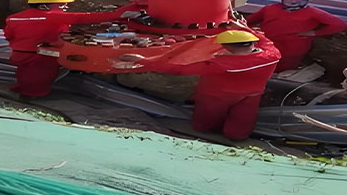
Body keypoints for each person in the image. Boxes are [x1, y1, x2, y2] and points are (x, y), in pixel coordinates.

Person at [116, 30, 280, 141]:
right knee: (243, 120)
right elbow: (267, 42)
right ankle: (237, 136)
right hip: (252, 94)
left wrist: (142, 60)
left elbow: (178, 69)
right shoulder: (272, 55)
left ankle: (206, 132)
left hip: (216, 95)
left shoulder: (221, 63)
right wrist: (245, 29)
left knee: (206, 120)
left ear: (227, 47)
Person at [3, 0, 134, 97]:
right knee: (39, 81)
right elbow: (88, 17)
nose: (65, 8)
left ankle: (22, 92)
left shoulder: (13, 18)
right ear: (44, 6)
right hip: (42, 56)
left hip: (20, 54)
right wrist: (124, 11)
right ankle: (33, 98)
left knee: (24, 76)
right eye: (61, 5)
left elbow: (9, 35)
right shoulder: (54, 16)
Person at [244, 0, 347, 72]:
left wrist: (315, 33)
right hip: (268, 43)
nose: (293, 2)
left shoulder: (313, 12)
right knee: (261, 65)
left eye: (298, 0)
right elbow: (249, 21)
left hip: (293, 46)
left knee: (286, 68)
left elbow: (339, 25)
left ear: (306, 1)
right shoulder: (270, 8)